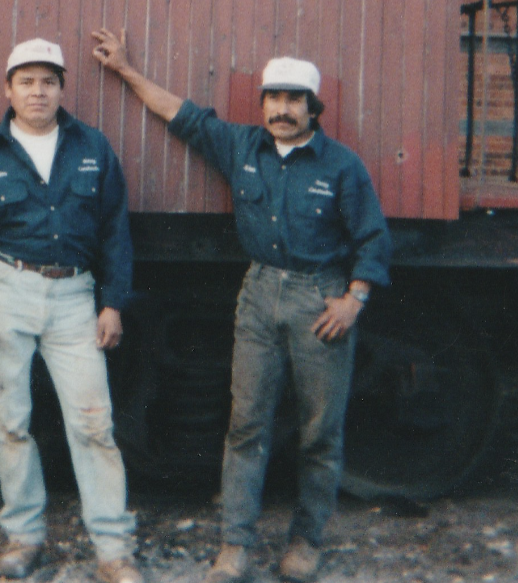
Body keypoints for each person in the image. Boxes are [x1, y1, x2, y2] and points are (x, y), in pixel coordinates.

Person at [91, 29, 391, 583]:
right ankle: (235, 546)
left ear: (312, 108)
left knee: (319, 429)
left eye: (294, 100)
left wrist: (354, 300)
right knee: (245, 426)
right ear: (263, 106)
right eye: (273, 99)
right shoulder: (241, 147)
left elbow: (374, 239)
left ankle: (306, 541)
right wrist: (127, 71)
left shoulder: (342, 167)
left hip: (319, 299)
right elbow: (180, 114)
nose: (282, 109)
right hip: (257, 294)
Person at [0, 39, 143, 583]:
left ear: (62, 88)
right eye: (27, 81)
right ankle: (23, 535)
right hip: (5, 289)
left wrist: (112, 304)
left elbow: (115, 234)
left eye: (49, 81)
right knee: (11, 422)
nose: (38, 92)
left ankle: (112, 548)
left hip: (75, 296)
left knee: (93, 423)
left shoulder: (93, 148)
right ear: (8, 88)